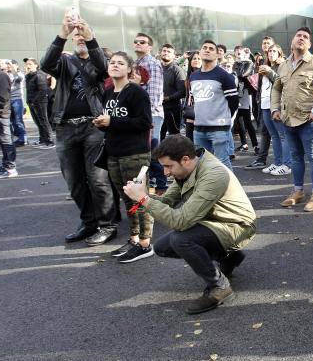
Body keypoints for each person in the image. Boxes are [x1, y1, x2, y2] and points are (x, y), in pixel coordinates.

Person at [123, 135, 256, 314]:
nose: (166, 173)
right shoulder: (190, 168)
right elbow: (168, 201)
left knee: (181, 239)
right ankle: (228, 256)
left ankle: (220, 287)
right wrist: (141, 195)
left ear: (185, 159)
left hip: (237, 225)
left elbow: (181, 221)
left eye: (168, 166)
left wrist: (144, 199)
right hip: (213, 221)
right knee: (163, 247)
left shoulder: (213, 174)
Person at [42, 11, 117, 245]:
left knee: (97, 179)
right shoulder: (64, 61)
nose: (81, 39)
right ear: (73, 40)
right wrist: (62, 33)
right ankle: (88, 223)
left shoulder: (98, 62)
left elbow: (105, 68)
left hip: (93, 126)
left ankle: (107, 225)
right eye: (78, 38)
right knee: (74, 181)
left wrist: (91, 37)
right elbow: (46, 63)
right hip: (65, 128)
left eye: (83, 37)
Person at [92, 52, 154, 263]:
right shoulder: (108, 92)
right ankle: (134, 239)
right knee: (127, 200)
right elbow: (112, 124)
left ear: (129, 69)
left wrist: (112, 122)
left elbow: (145, 123)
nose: (115, 65)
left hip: (134, 155)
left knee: (139, 199)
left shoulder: (136, 93)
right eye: (112, 62)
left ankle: (145, 244)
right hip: (114, 154)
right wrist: (102, 124)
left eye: (120, 63)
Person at [271, 27, 313, 212]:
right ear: (292, 41)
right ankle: (297, 191)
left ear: (309, 44)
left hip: (308, 120)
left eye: (305, 37)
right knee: (296, 158)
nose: (301, 39)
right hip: (288, 119)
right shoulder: (284, 65)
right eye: (299, 36)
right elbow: (276, 88)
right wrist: (275, 108)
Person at [190, 40, 239, 170]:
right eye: (204, 48)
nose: (207, 50)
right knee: (201, 165)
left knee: (223, 164)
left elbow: (234, 102)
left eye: (211, 49)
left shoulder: (225, 76)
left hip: (219, 129)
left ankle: (231, 190)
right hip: (199, 128)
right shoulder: (194, 76)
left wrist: (224, 117)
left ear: (217, 55)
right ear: (200, 52)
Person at [247, 44, 291, 174]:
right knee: (274, 136)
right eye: (269, 51)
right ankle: (278, 162)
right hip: (265, 104)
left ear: (279, 53)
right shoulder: (265, 65)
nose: (271, 53)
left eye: (274, 51)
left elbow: (283, 83)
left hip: (276, 105)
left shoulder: (282, 66)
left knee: (283, 135)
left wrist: (270, 72)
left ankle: (287, 164)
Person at [133, 33, 165, 193]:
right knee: (143, 151)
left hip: (151, 115)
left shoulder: (152, 63)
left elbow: (155, 94)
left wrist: (147, 116)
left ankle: (160, 186)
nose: (138, 44)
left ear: (150, 46)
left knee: (152, 151)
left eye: (142, 42)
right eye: (136, 42)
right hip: (139, 116)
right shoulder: (135, 63)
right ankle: (150, 184)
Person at [0, 55, 16, 179]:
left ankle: (11, 168)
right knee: (3, 141)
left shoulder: (0, 76)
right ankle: (6, 165)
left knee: (6, 141)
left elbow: (1, 98)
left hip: (1, 114)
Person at [23, 58, 54, 148]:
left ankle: (50, 141)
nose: (27, 66)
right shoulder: (29, 76)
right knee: (38, 122)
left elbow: (42, 91)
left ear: (36, 65)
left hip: (40, 102)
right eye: (27, 64)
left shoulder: (39, 75)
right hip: (32, 102)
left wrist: (35, 101)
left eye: (30, 64)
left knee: (43, 121)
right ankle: (42, 140)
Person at [159, 43, 186, 139]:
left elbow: (183, 92)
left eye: (169, 52)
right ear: (160, 53)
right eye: (164, 51)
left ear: (174, 56)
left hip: (172, 109)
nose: (166, 53)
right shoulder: (156, 68)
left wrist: (167, 98)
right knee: (158, 136)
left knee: (174, 137)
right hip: (157, 110)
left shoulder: (177, 70)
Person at [182, 51, 202, 141]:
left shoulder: (206, 75)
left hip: (204, 112)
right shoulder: (188, 76)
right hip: (190, 112)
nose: (196, 60)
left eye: (199, 58)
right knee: (189, 140)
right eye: (194, 58)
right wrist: (183, 58)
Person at [6, 60, 27, 146]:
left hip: (17, 100)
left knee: (18, 120)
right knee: (11, 121)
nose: (8, 66)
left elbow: (19, 78)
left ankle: (22, 139)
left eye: (10, 65)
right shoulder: (7, 74)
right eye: (8, 65)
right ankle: (18, 138)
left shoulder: (19, 74)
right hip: (8, 100)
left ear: (16, 65)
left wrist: (14, 68)